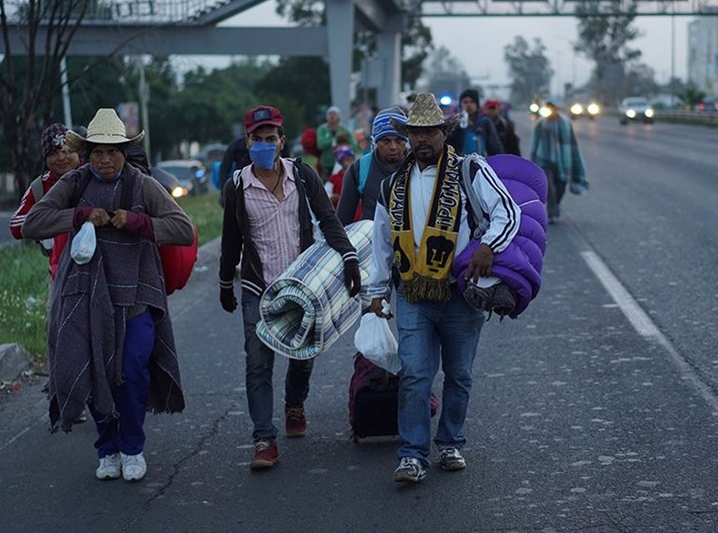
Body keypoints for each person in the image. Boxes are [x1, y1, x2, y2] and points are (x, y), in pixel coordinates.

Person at [22, 108, 194, 483]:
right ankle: (107, 448)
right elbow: (33, 222)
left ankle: (132, 447)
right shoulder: (75, 183)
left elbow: (184, 229)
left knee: (130, 369)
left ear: (124, 152)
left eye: (113, 151)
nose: (105, 159)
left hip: (135, 296)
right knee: (94, 368)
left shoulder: (142, 184)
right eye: (97, 151)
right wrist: (79, 214)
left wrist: (139, 223)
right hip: (84, 294)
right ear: (87, 153)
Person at [366, 93, 521, 483]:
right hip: (413, 294)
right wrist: (377, 292)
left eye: (430, 131)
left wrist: (489, 245)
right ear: (407, 137)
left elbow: (509, 211)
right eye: (415, 132)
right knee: (415, 373)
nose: (422, 139)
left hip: (460, 291)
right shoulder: (392, 187)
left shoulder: (470, 170)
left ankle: (450, 441)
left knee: (459, 374)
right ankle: (413, 453)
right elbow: (381, 242)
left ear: (443, 133)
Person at [219, 105, 361, 470]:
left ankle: (295, 401)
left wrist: (348, 255)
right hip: (257, 284)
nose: (265, 145)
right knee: (257, 361)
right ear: (247, 142)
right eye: (257, 139)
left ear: (282, 141)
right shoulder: (237, 186)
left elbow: (328, 220)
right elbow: (231, 239)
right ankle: (264, 438)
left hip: (301, 283)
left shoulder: (302, 175)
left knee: (303, 353)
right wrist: (224, 282)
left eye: (271, 139)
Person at [10, 123, 82, 280]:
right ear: (46, 159)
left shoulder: (93, 174)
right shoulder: (40, 187)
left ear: (77, 152)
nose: (62, 158)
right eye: (54, 153)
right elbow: (15, 226)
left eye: (66, 150)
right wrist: (62, 218)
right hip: (60, 276)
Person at [336, 107, 408, 225]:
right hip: (372, 237)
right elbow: (343, 219)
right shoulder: (359, 169)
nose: (393, 147)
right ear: (375, 142)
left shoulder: (418, 165)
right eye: (386, 141)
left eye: (399, 141)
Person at [530, 101, 589, 224]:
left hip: (562, 161)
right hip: (544, 160)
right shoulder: (540, 124)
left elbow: (572, 143)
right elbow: (534, 143)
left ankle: (555, 205)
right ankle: (552, 213)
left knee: (561, 187)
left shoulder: (566, 124)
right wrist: (533, 161)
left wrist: (575, 161)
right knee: (550, 188)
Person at [447, 89, 503, 157]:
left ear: (477, 105)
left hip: (482, 162)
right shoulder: (453, 122)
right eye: (465, 102)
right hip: (459, 162)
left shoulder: (485, 122)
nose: (469, 105)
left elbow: (494, 146)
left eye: (472, 102)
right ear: (460, 105)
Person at [316, 106, 358, 178]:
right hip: (327, 164)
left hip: (342, 165)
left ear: (339, 116)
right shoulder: (322, 129)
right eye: (330, 113)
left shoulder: (344, 130)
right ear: (326, 117)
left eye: (334, 114)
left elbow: (354, 145)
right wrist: (334, 139)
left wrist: (342, 148)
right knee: (327, 185)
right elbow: (320, 144)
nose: (332, 116)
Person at [218, 135, 251, 203]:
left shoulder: (236, 145)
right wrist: (225, 194)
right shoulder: (237, 146)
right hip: (241, 187)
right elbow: (224, 169)